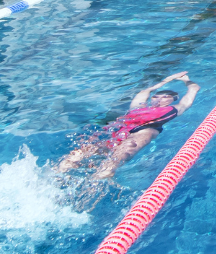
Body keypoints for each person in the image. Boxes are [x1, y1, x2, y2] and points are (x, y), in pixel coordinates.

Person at [60, 72, 198, 177]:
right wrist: (168, 79)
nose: (159, 99)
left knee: (121, 154)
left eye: (166, 97)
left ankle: (104, 174)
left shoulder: (175, 109)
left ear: (173, 100)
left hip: (144, 131)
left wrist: (186, 80)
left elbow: (194, 90)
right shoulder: (138, 107)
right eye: (157, 96)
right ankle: (60, 173)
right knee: (83, 151)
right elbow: (145, 91)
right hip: (120, 131)